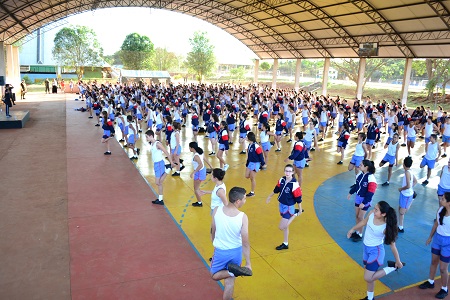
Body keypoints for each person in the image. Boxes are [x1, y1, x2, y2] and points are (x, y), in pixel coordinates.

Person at [347, 201, 404, 300]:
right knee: (370, 275)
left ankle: (392, 268)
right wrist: (352, 229)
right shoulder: (371, 214)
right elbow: (364, 222)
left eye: (376, 210)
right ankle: (370, 298)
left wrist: (398, 262)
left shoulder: (385, 227)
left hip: (376, 252)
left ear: (383, 214)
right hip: (366, 249)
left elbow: (393, 246)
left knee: (368, 277)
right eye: (375, 208)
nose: (374, 210)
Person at [210, 187, 252, 300]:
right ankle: (233, 272)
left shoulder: (216, 210)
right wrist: (248, 263)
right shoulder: (243, 217)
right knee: (229, 283)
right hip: (236, 253)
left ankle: (232, 272)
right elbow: (245, 242)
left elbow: (212, 230)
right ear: (238, 201)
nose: (245, 200)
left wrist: (214, 242)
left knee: (214, 275)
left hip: (221, 251)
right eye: (244, 198)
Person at [418, 192, 450, 299]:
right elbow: (436, 224)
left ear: (449, 202)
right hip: (437, 239)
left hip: (448, 243)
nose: (441, 199)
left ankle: (444, 288)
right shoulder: (440, 210)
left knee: (443, 268)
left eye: (444, 199)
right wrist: (430, 237)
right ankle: (430, 282)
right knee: (433, 262)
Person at [266, 164, 303, 250]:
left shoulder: (294, 184)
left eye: (290, 171)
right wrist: (269, 196)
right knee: (286, 227)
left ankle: (295, 214)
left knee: (282, 227)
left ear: (293, 172)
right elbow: (276, 189)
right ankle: (285, 243)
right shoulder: (282, 180)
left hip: (289, 207)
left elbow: (298, 198)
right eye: (286, 171)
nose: (287, 173)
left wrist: (300, 209)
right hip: (281, 205)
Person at [348, 160, 378, 242]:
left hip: (365, 200)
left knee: (361, 217)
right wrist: (351, 192)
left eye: (361, 165)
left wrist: (364, 202)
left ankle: (360, 234)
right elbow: (356, 186)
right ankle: (357, 231)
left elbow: (371, 192)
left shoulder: (371, 178)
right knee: (357, 216)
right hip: (358, 197)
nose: (359, 165)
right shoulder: (360, 175)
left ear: (366, 167)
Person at [145, 129, 174, 205]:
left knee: (158, 182)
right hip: (156, 164)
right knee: (159, 183)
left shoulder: (157, 144)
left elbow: (166, 152)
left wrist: (171, 162)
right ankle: (160, 200)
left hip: (159, 164)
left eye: (147, 137)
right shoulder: (152, 144)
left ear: (151, 136)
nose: (146, 139)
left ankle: (168, 169)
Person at [189, 142, 213, 207]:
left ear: (192, 148)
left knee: (196, 189)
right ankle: (206, 172)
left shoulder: (196, 156)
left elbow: (200, 164)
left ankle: (199, 203)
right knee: (197, 188)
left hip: (199, 173)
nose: (189, 148)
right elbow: (206, 160)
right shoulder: (200, 152)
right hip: (202, 170)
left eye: (190, 147)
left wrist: (193, 172)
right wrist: (212, 168)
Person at [397, 156, 417, 233]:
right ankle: (400, 226)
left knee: (402, 212)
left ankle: (401, 227)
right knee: (400, 209)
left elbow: (408, 185)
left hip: (406, 195)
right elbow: (415, 181)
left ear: (403, 164)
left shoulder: (407, 173)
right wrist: (410, 188)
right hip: (404, 194)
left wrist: (401, 189)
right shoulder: (410, 172)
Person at [245, 131, 265, 197]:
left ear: (249, 138)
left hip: (255, 163)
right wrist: (247, 163)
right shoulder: (250, 145)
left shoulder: (256, 146)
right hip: (250, 162)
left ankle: (252, 192)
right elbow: (249, 155)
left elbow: (260, 155)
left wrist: (263, 163)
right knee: (246, 176)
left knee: (252, 178)